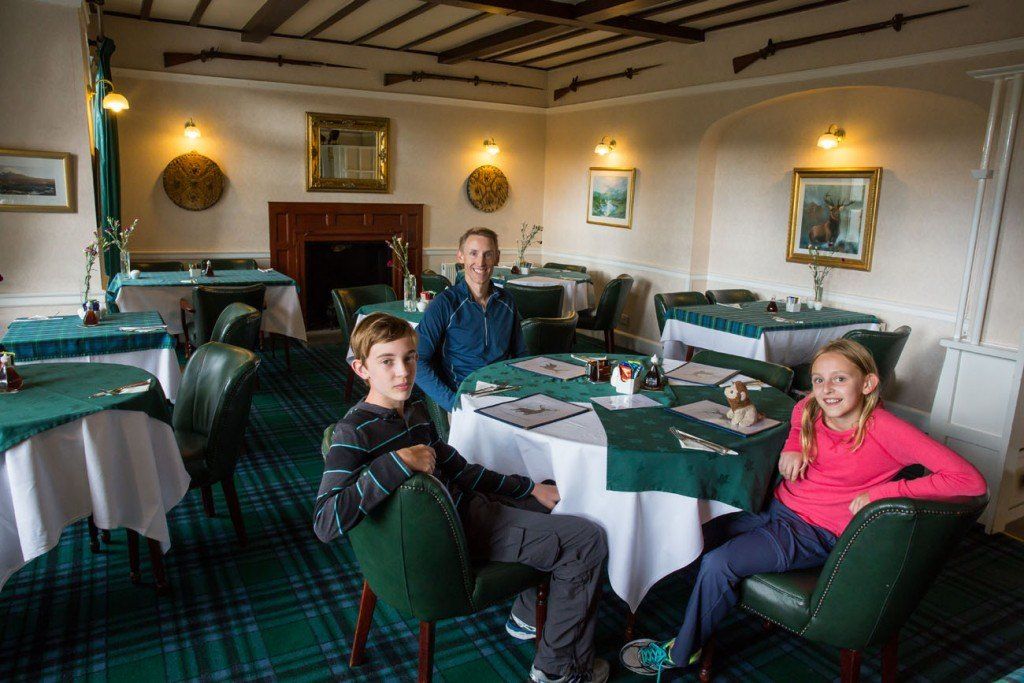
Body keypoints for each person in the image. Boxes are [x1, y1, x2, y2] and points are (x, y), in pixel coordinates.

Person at [620, 338, 987, 678]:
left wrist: (888, 492)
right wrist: (794, 443)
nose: (827, 389)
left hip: (816, 531)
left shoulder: (885, 428)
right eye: (818, 379)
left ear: (868, 383)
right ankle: (702, 611)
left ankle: (684, 652)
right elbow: (801, 409)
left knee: (720, 563)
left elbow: (969, 480)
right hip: (778, 507)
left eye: (840, 379)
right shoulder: (814, 405)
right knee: (694, 531)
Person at [314, 313, 609, 683]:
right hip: (455, 538)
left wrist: (529, 488)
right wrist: (395, 463)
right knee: (588, 540)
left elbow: (460, 469)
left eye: (409, 358)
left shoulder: (416, 413)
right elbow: (325, 522)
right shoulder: (353, 432)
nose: (402, 372)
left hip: (465, 511)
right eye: (386, 362)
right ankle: (559, 668)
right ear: (361, 369)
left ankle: (524, 614)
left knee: (549, 492)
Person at [416, 227, 525, 411]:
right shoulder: (444, 304)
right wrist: (453, 403)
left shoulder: (507, 301)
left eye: (487, 254)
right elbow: (417, 361)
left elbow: (521, 355)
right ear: (461, 257)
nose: (480, 262)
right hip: (464, 397)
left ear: (497, 257)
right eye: (473, 253)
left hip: (507, 394)